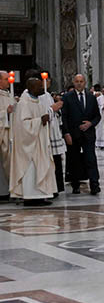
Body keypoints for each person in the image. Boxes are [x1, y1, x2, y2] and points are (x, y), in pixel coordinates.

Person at [10, 76, 56, 206]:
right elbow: (23, 125)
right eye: (38, 86)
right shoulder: (24, 103)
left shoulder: (38, 102)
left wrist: (45, 119)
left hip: (39, 142)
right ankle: (30, 197)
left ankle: (41, 195)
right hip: (29, 145)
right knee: (31, 170)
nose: (42, 87)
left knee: (41, 168)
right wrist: (40, 120)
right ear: (31, 88)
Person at [61, 74, 101, 195]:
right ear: (74, 82)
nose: (79, 83)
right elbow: (64, 117)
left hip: (88, 133)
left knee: (91, 159)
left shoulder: (91, 97)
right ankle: (75, 184)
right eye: (77, 81)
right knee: (74, 159)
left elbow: (97, 115)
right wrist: (66, 133)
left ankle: (94, 184)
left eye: (81, 81)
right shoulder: (67, 97)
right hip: (73, 134)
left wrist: (90, 123)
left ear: (85, 83)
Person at [33, 73, 66, 195]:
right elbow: (42, 115)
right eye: (44, 80)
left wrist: (56, 110)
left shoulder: (47, 95)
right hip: (45, 133)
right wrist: (53, 109)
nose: (47, 82)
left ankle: (56, 187)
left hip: (53, 131)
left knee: (56, 161)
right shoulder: (36, 97)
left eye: (48, 80)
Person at [0, 72, 13, 199]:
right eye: (5, 79)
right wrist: (5, 113)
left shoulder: (8, 94)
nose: (8, 81)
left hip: (8, 133)